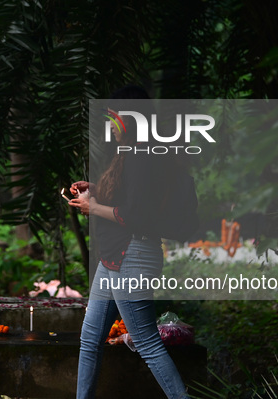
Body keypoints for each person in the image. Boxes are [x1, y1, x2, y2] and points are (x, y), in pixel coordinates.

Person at [69, 85, 188, 398]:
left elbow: (136, 214)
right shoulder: (135, 153)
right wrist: (95, 190)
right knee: (90, 339)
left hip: (131, 255)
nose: (109, 126)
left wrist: (92, 207)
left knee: (147, 343)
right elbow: (131, 200)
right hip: (115, 258)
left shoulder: (140, 156)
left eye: (113, 119)